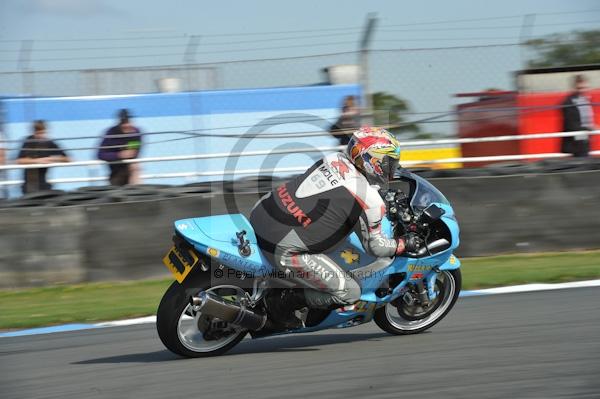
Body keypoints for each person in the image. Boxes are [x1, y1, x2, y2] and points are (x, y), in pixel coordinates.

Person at [249, 127, 420, 328]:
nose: (392, 167)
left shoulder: (333, 159)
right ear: (373, 161)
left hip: (261, 212)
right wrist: (403, 244)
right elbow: (376, 247)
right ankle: (281, 303)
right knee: (350, 292)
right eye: (389, 161)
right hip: (284, 248)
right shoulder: (370, 200)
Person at [16, 120, 70, 194]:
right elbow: (19, 160)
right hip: (28, 185)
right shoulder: (28, 141)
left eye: (43, 133)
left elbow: (68, 158)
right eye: (38, 133)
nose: (41, 136)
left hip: (44, 184)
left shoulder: (50, 143)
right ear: (34, 132)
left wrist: (52, 159)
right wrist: (38, 161)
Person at [97, 109, 142, 186]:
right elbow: (100, 154)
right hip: (115, 171)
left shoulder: (135, 132)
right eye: (123, 122)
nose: (126, 125)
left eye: (128, 121)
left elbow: (134, 152)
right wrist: (119, 155)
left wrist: (130, 153)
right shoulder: (110, 133)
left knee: (135, 166)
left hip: (130, 168)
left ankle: (137, 190)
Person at [561, 74, 596, 157]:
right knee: (581, 160)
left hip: (585, 137)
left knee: (585, 158)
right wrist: (590, 128)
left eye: (585, 87)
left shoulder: (586, 100)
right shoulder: (568, 102)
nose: (582, 90)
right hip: (576, 140)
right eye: (579, 88)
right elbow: (571, 124)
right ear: (574, 87)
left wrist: (591, 128)